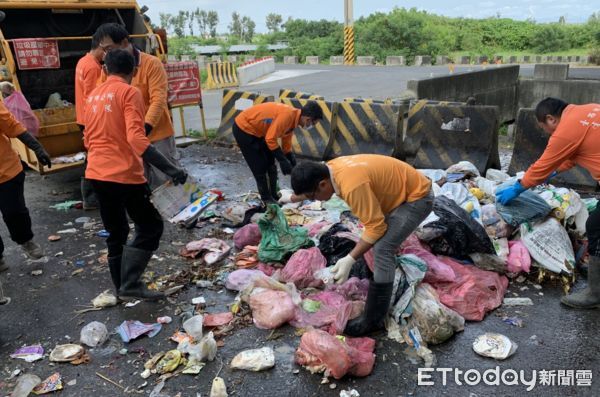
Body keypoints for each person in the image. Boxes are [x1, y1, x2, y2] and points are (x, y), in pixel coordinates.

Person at [284, 155, 433, 335]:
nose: (318, 201)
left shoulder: (352, 185)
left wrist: (350, 259)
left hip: (417, 198)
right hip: (399, 195)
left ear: (323, 184)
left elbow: (376, 228)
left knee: (382, 248)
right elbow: (375, 225)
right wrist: (291, 198)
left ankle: (374, 319)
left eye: (313, 196)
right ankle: (382, 283)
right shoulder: (328, 170)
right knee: (375, 243)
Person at [84, 49, 187, 301]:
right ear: (133, 71)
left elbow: (87, 138)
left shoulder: (93, 96)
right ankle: (130, 283)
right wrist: (172, 169)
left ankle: (121, 288)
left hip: (96, 172)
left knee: (116, 232)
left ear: (106, 69)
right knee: (150, 226)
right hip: (123, 174)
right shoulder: (130, 92)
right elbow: (136, 138)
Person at [496, 97, 600, 310]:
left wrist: (517, 188)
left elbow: (541, 165)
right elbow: (575, 154)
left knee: (595, 227)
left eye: (545, 129)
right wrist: (555, 170)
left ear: (551, 119)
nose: (548, 133)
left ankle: (595, 294)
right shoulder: (588, 110)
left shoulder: (566, 129)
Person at [92, 23, 180, 190]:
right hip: (129, 139)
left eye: (109, 49)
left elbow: (158, 99)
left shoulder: (151, 64)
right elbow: (102, 97)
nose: (106, 54)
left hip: (157, 134)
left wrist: (145, 128)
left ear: (125, 42)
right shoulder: (107, 70)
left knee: (167, 180)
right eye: (104, 50)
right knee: (141, 183)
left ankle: (174, 216)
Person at [233, 101, 323, 203]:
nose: (312, 126)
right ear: (308, 119)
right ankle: (267, 199)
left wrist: (289, 157)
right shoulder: (287, 116)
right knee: (260, 167)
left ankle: (274, 195)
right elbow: (270, 139)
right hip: (244, 129)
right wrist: (282, 160)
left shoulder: (294, 118)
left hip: (260, 132)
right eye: (313, 123)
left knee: (271, 164)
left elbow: (286, 137)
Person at [0, 99, 51, 273]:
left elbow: (10, 124)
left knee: (14, 211)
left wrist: (37, 148)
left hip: (6, 170)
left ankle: (26, 241)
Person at [75, 37, 104, 210]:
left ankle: (90, 199)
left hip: (83, 117)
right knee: (95, 159)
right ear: (100, 47)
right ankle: (91, 199)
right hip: (91, 120)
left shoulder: (82, 61)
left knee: (92, 157)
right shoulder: (93, 67)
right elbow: (96, 98)